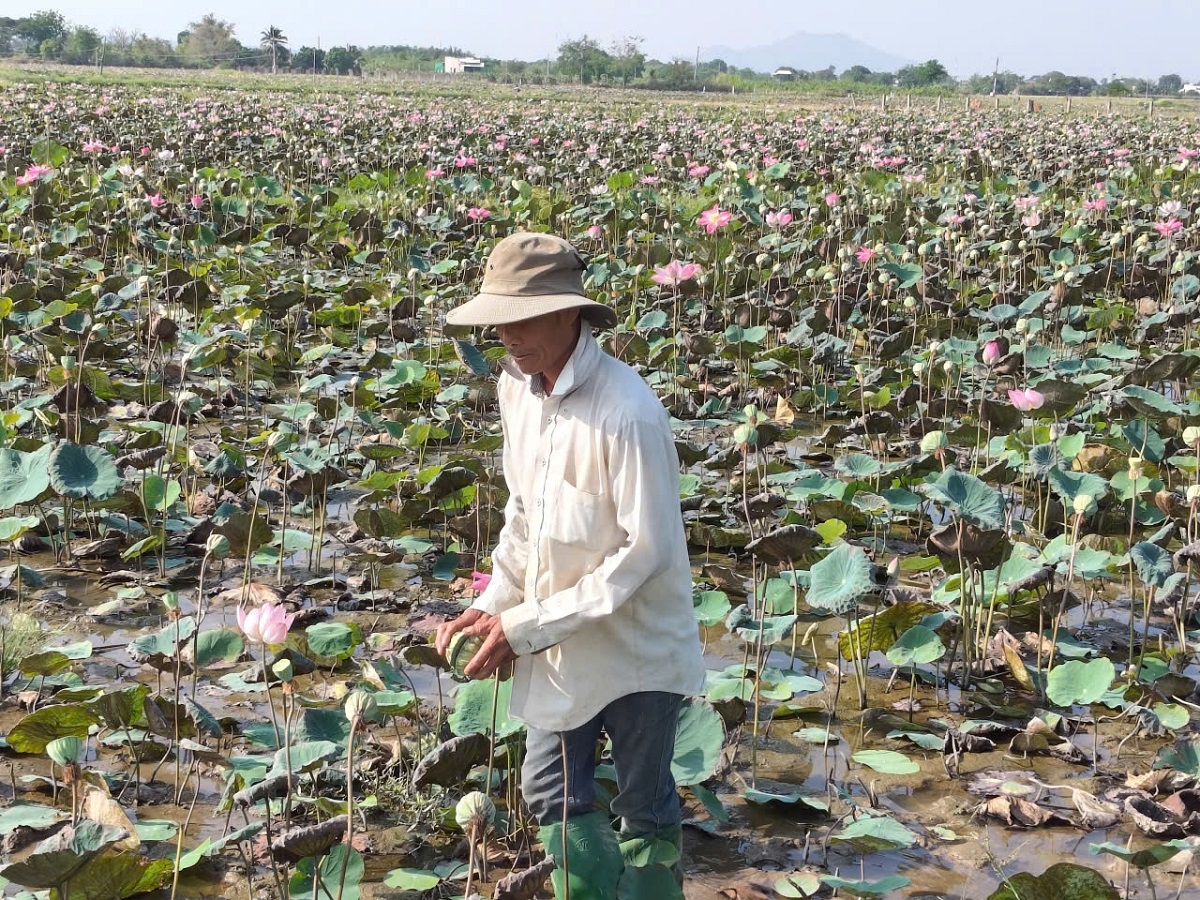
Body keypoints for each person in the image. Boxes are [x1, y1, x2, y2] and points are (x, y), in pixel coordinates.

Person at [435, 231, 706, 900]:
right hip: (556, 636)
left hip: (637, 645)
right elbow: (525, 514)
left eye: (520, 318)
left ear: (567, 314)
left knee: (644, 804)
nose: (503, 334)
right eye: (497, 320)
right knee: (550, 793)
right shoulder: (516, 390)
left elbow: (644, 554)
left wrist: (527, 627)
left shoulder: (628, 412)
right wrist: (498, 600)